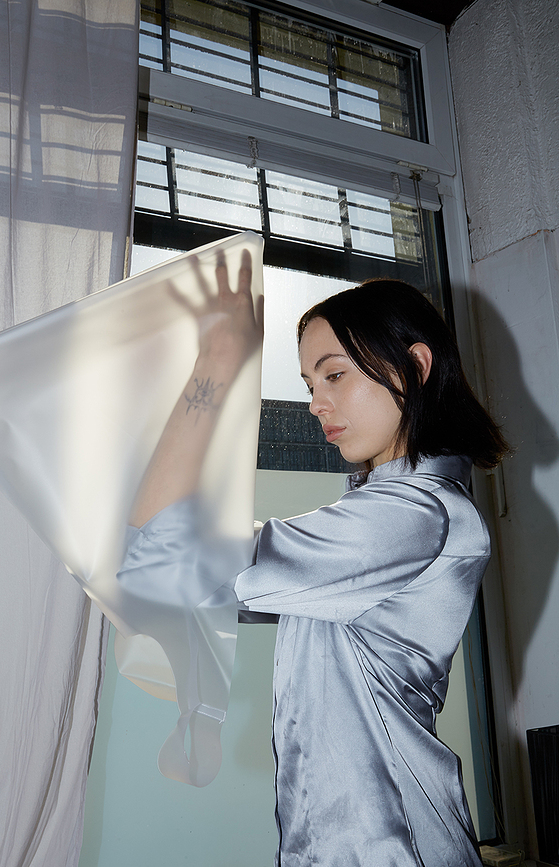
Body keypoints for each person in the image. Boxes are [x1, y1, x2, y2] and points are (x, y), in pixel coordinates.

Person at [121, 251, 508, 867]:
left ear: (414, 366)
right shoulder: (384, 517)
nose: (315, 404)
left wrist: (216, 364)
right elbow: (169, 573)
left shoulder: (412, 516)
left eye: (334, 376)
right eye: (309, 385)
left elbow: (160, 556)